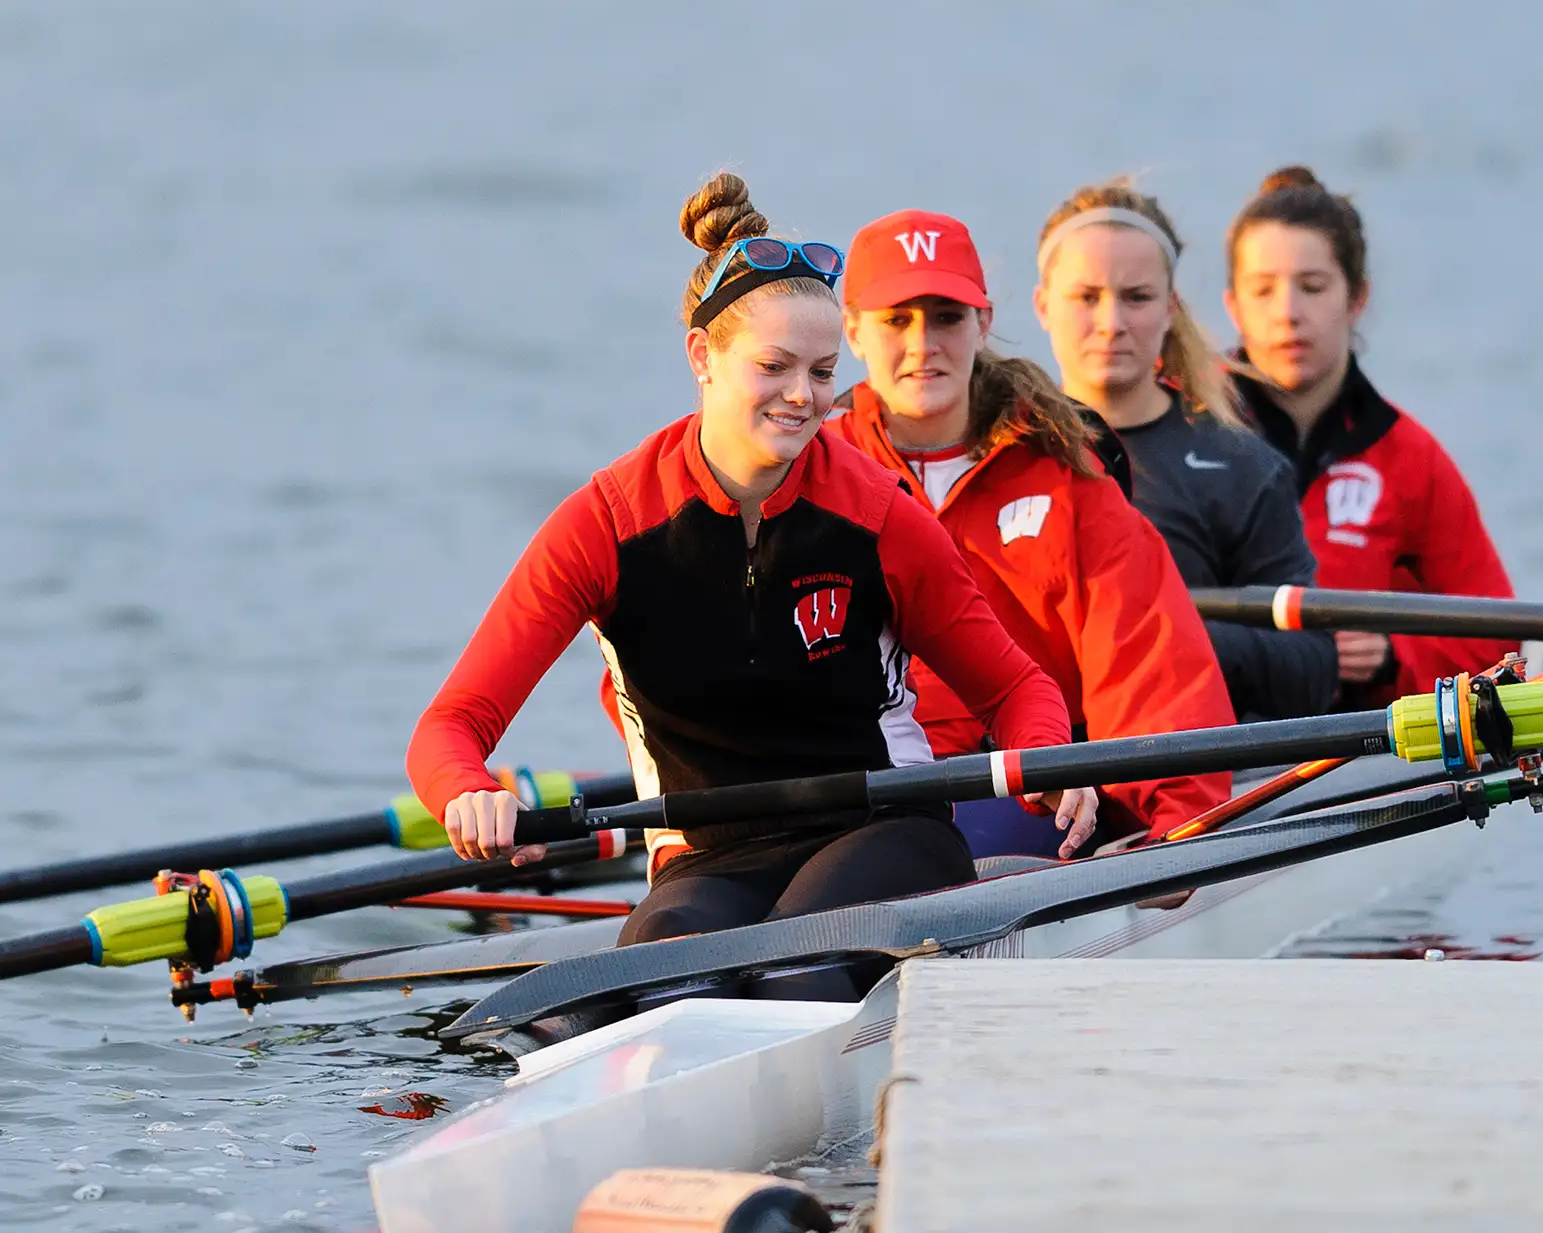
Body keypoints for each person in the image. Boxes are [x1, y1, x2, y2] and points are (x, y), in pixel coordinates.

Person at [405, 173, 1093, 983]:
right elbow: (450, 726)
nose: (804, 397)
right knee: (662, 983)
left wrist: (1046, 761)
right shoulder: (607, 524)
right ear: (703, 356)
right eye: (775, 366)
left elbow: (1016, 688)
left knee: (795, 973)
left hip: (881, 828)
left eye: (825, 370)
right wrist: (466, 791)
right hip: (708, 855)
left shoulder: (878, 516)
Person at [827, 209, 1235, 854]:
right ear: (851, 330)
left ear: (983, 322)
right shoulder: (812, 468)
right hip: (854, 789)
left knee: (913, 860)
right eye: (896, 320)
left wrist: (1175, 825)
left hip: (1021, 786)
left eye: (947, 317)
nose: (922, 343)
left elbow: (1145, 658)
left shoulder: (1064, 474)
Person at [1033, 178, 1339, 723]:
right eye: (1086, 298)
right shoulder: (997, 452)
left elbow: (1311, 671)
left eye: (1137, 297)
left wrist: (1175, 633)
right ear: (1042, 306)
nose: (1112, 324)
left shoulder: (1242, 468)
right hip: (1042, 766)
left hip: (1187, 763)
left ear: (1171, 307)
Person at [1224, 166, 1516, 702]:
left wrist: (1392, 656)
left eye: (1312, 287)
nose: (1288, 313)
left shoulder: (1410, 456)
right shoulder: (1180, 428)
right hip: (1204, 728)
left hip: (1349, 750)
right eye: (1262, 290)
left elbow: (1498, 640)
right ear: (1233, 306)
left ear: (1357, 297)